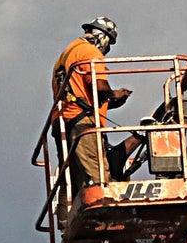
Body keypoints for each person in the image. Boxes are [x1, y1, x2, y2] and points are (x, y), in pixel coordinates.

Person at [52, 17, 132, 197]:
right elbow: (100, 89)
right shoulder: (90, 53)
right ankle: (107, 207)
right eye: (109, 43)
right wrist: (116, 95)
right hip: (82, 124)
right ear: (102, 37)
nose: (107, 48)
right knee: (99, 177)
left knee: (72, 181)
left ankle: (66, 221)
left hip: (64, 122)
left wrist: (109, 103)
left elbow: (81, 94)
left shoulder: (67, 54)